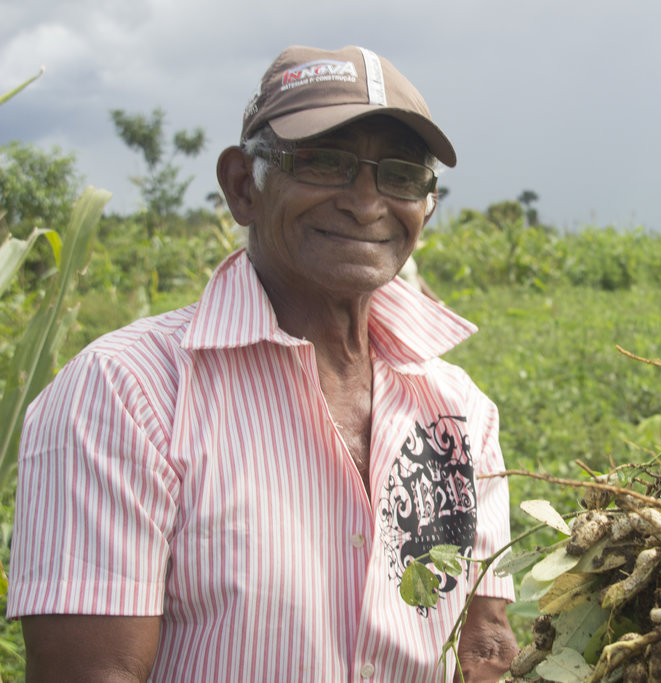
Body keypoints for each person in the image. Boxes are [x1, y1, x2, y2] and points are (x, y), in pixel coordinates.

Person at [7, 45, 519, 682]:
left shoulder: (462, 411)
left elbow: (485, 649)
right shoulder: (125, 393)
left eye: (401, 175)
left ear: (427, 203)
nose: (365, 203)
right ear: (243, 186)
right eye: (324, 163)